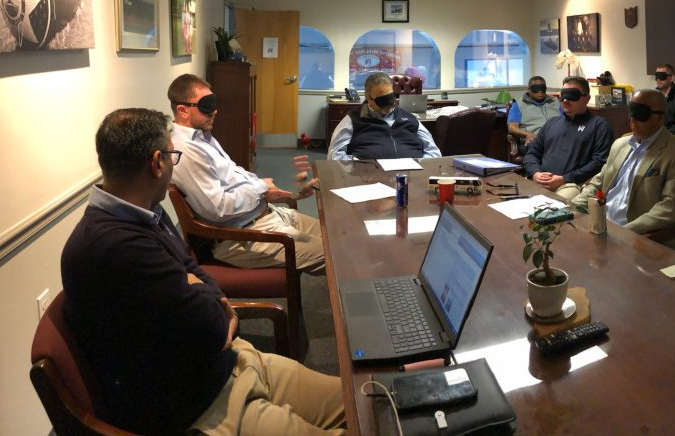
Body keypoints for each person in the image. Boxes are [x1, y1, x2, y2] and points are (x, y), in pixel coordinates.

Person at [61, 108, 345, 435]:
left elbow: (191, 267)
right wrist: (204, 294)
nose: (172, 164)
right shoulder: (114, 246)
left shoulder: (143, 213)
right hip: (205, 406)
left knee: (368, 401)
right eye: (172, 156)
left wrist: (198, 286)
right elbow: (211, 324)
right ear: (157, 163)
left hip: (235, 362)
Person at [168, 74, 325, 270]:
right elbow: (217, 209)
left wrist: (285, 193)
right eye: (206, 105)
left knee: (336, 238)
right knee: (336, 256)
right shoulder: (187, 150)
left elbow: (234, 174)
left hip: (267, 216)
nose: (215, 111)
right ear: (182, 110)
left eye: (214, 103)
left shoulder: (202, 138)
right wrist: (260, 188)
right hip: (243, 237)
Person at [572, 90, 675, 257]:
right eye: (631, 113)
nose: (633, 119)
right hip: (602, 227)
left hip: (644, 239)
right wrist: (571, 207)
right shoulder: (620, 144)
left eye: (641, 114)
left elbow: (672, 207)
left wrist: (624, 232)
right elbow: (599, 183)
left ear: (660, 118)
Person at [523, 76, 613, 200]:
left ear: (587, 99)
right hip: (539, 181)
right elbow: (532, 153)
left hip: (570, 185)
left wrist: (564, 179)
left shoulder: (599, 126)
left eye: (573, 96)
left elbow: (599, 162)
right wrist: (535, 173)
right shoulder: (551, 123)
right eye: (563, 95)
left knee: (551, 209)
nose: (565, 100)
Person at [328, 72, 442, 160]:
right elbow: (334, 156)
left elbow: (434, 152)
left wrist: (420, 166)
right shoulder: (353, 119)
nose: (387, 107)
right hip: (370, 179)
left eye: (390, 99)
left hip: (412, 175)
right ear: (368, 98)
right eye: (382, 102)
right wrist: (359, 168)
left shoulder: (409, 118)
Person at [507, 75, 562, 149]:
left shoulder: (555, 101)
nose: (540, 91)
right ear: (529, 90)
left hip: (558, 138)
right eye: (536, 88)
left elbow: (567, 120)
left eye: (542, 88)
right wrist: (527, 134)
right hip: (534, 140)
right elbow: (512, 127)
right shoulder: (518, 104)